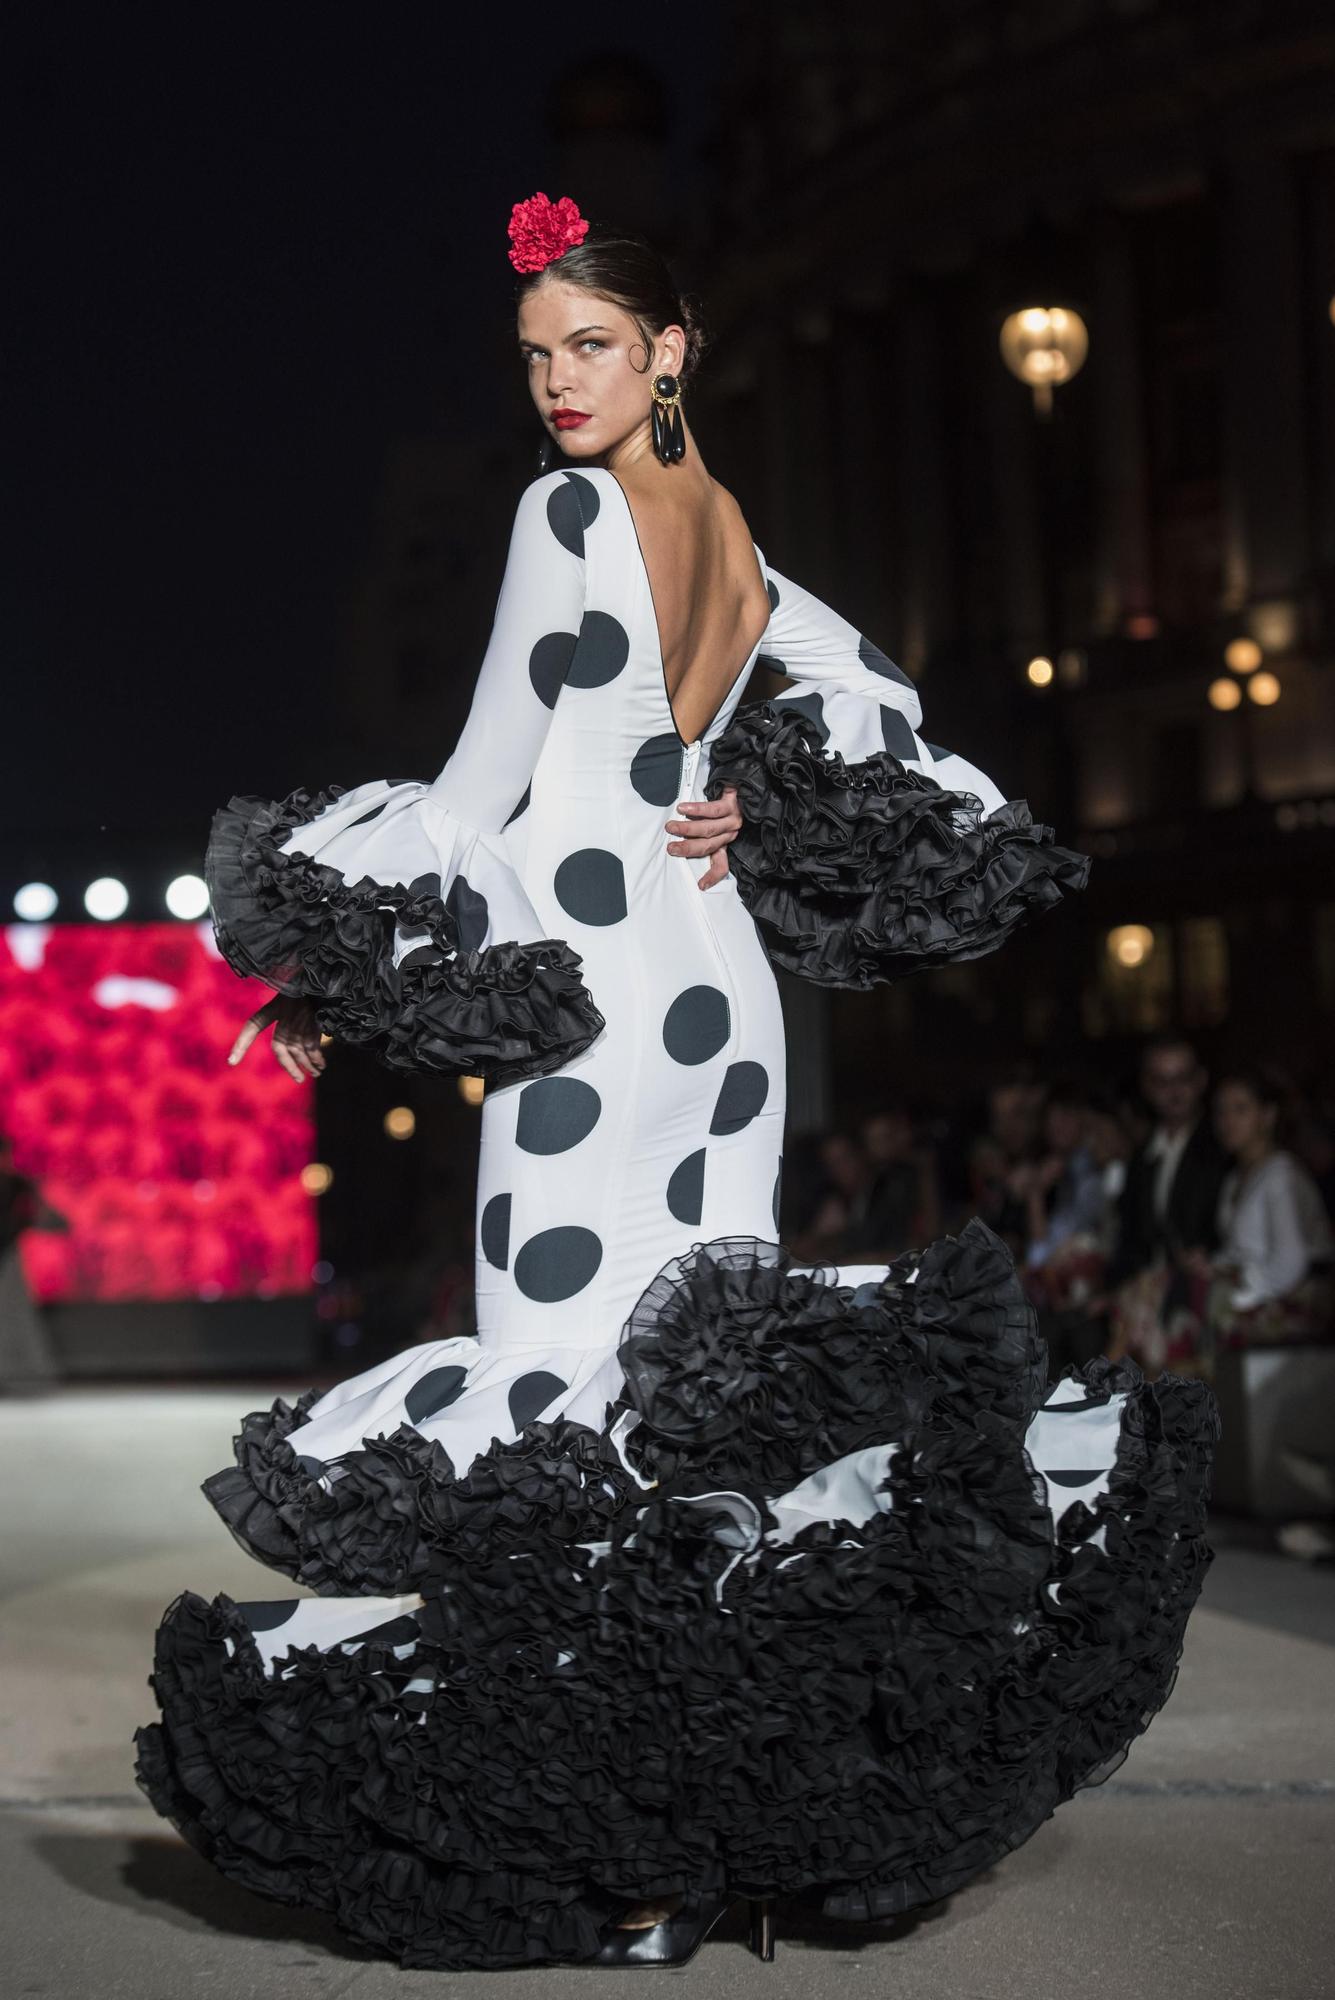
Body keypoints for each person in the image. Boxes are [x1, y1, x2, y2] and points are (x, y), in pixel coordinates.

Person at [134, 193, 1216, 1971]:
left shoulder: (568, 512)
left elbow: (481, 776)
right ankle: (691, 1837)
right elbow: (868, 706)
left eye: (591, 347)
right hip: (720, 1000)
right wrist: (725, 797)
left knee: (569, 1394)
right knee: (692, 1395)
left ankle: (607, 1848)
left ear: (669, 353)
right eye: (538, 357)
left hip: (591, 1007)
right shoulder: (731, 532)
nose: (560, 385)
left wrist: (324, 965)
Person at [1103, 1037, 1230, 1376]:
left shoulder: (1219, 1148)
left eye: (1182, 1079)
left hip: (1198, 1287)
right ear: (1147, 1087)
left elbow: (1227, 1226)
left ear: (1199, 1081)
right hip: (1148, 1290)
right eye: (1161, 1081)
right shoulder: (1144, 1156)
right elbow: (1131, 1235)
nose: (1173, 1091)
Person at [1185, 1067, 1334, 1352]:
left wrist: (1237, 1288)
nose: (1228, 1121)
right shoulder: (1234, 1178)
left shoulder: (1281, 1174)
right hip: (1253, 1292)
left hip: (1292, 1299)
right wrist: (1212, 1265)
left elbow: (1291, 1263)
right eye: (1221, 1111)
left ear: (1267, 1115)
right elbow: (1241, 1250)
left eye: (1241, 1110)